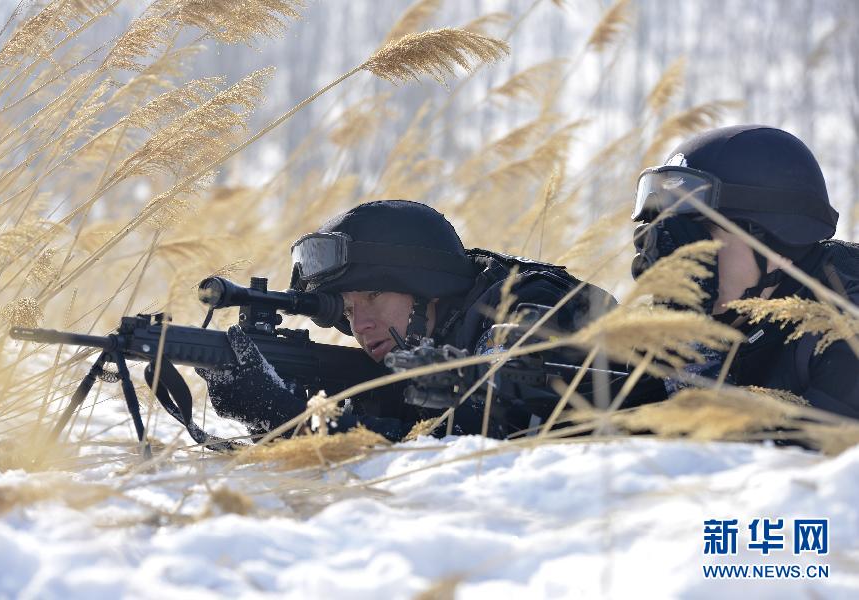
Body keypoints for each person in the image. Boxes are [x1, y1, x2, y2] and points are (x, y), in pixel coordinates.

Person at [199, 199, 649, 441]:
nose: (362, 325)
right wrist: (273, 413)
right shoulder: (426, 344)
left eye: (373, 296)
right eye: (350, 310)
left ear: (426, 286)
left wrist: (294, 417)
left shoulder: (525, 308)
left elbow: (492, 442)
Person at [630, 125, 858, 417]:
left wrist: (690, 344)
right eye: (668, 237)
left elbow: (765, 457)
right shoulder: (735, 312)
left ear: (777, 244)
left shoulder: (847, 322)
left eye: (696, 235)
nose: (676, 255)